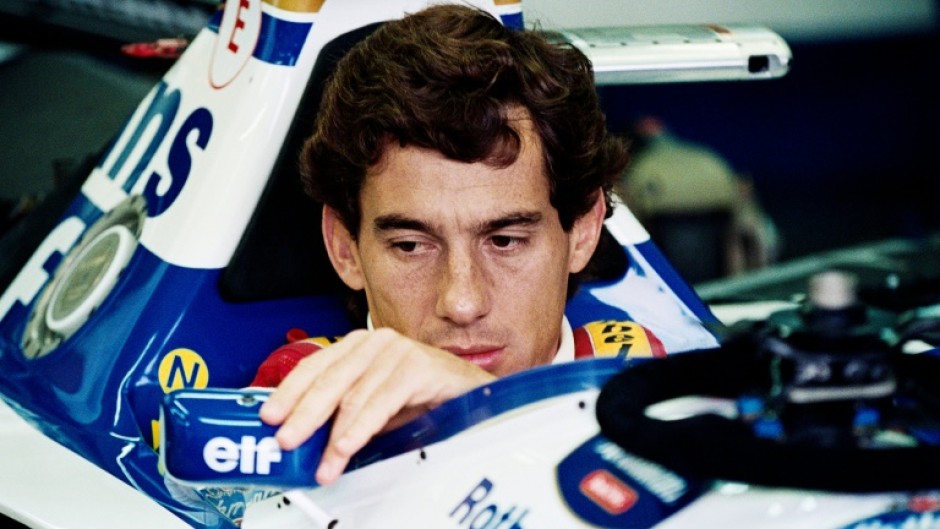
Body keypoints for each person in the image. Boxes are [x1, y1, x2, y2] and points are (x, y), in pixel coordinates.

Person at [252, 4, 664, 486]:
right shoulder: (302, 400)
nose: (462, 302)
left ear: (584, 231)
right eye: (410, 246)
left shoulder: (659, 384)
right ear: (345, 247)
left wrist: (481, 409)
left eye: (506, 241)